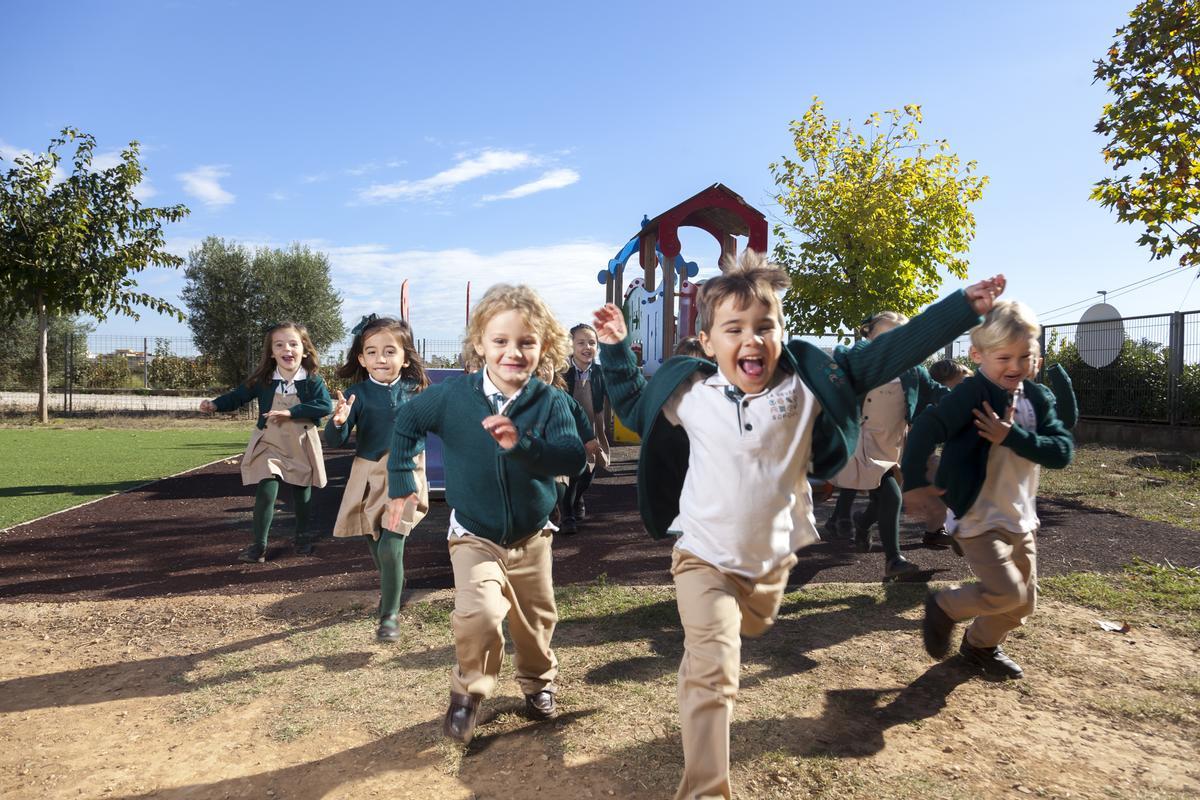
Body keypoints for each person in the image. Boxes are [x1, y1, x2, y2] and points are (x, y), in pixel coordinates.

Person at [594, 249, 1005, 799]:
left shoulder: (808, 385)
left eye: (765, 326)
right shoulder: (690, 395)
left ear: (782, 333)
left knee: (755, 622)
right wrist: (616, 348)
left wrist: (960, 310)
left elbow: (884, 355)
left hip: (774, 555)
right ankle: (706, 790)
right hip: (702, 555)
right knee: (712, 670)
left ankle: (753, 609)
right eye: (734, 328)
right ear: (709, 341)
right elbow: (630, 407)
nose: (752, 339)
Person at [385, 284, 585, 745]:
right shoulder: (454, 397)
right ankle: (468, 693)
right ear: (480, 344)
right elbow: (408, 422)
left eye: (526, 342)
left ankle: (538, 684)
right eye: (501, 341)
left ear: (543, 347)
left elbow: (572, 457)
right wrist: (400, 482)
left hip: (533, 536)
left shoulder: (549, 401)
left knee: (535, 623)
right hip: (474, 534)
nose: (513, 352)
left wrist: (525, 445)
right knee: (479, 613)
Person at [903, 300, 1073, 680]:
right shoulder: (970, 394)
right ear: (977, 355)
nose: (1015, 367)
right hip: (977, 514)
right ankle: (944, 606)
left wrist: (1013, 437)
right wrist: (914, 482)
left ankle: (978, 647)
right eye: (1003, 358)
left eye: (1024, 356)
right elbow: (927, 429)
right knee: (1007, 592)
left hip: (1020, 517)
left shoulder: (1037, 400)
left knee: (1020, 605)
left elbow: (1062, 451)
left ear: (1037, 357)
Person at [325, 315, 431, 642]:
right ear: (361, 358)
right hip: (367, 474)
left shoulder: (416, 390)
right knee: (375, 541)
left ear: (404, 356)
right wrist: (339, 421)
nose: (380, 359)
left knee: (391, 542)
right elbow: (335, 440)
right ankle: (393, 589)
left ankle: (389, 617)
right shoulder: (356, 394)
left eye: (389, 351)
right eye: (371, 352)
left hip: (404, 472)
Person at [825, 312, 953, 579]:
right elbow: (838, 365)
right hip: (860, 441)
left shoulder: (912, 371)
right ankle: (894, 560)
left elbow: (937, 393)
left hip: (891, 443)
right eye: (883, 338)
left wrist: (967, 399)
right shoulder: (855, 362)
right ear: (868, 336)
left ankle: (862, 523)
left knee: (880, 500)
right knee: (890, 493)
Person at [200, 322, 332, 562]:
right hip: (269, 441)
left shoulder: (312, 381)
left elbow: (325, 406)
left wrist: (292, 412)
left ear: (305, 350)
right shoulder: (264, 380)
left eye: (293, 344)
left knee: (302, 492)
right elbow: (238, 396)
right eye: (279, 345)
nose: (287, 349)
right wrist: (216, 404)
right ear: (272, 352)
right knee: (266, 487)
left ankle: (302, 537)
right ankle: (258, 545)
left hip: (300, 441)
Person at [559, 323, 609, 533]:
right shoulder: (562, 371)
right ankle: (567, 514)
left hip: (592, 423)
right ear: (571, 346)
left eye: (592, 342)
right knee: (569, 470)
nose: (587, 347)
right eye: (581, 343)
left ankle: (578, 498)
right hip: (567, 426)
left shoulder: (599, 372)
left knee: (589, 470)